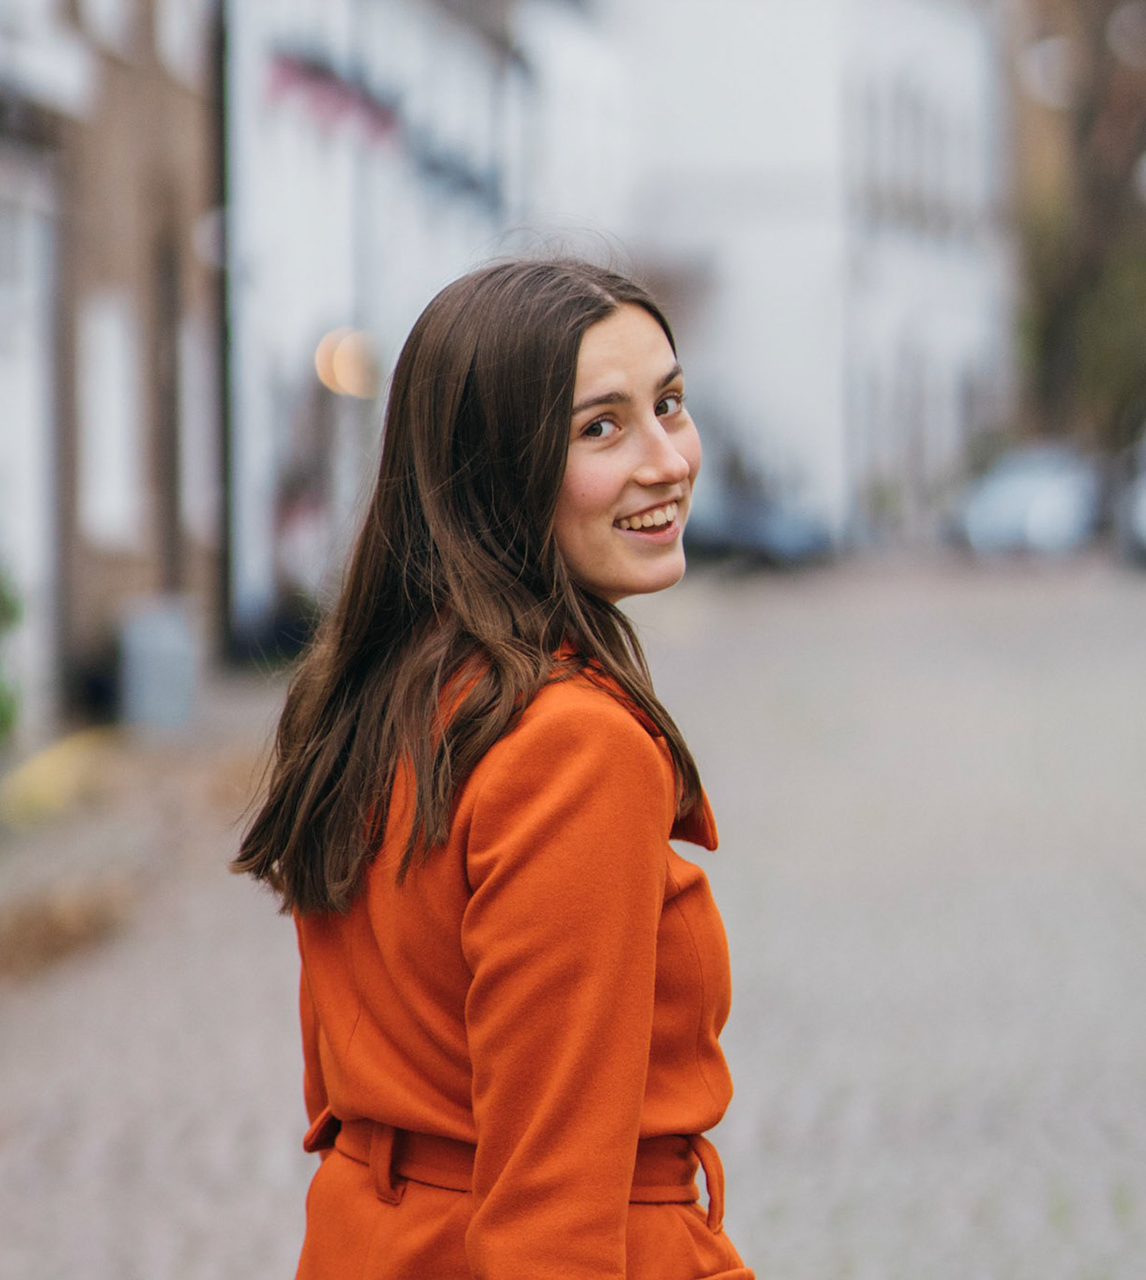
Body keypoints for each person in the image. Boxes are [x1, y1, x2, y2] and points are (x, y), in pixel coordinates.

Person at [234, 258, 754, 1280]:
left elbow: (340, 1081)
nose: (669, 459)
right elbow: (551, 1209)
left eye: (671, 403)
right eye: (600, 427)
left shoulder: (367, 694)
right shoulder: (573, 746)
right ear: (493, 469)